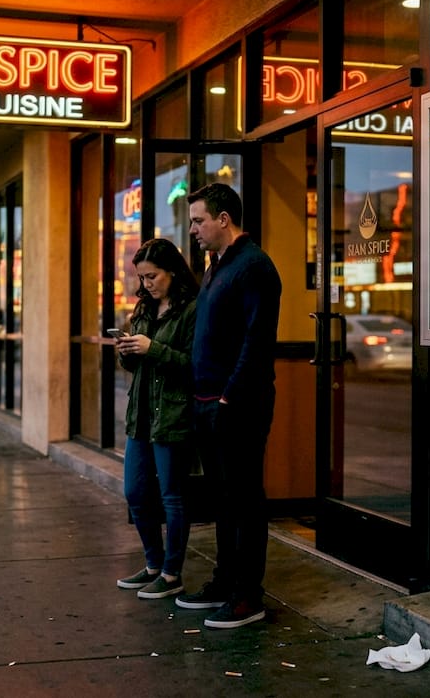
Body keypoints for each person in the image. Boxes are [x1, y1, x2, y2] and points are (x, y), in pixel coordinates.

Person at [174, 182, 282, 630]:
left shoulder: (254, 266)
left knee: (244, 501)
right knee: (223, 500)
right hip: (207, 404)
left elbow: (257, 343)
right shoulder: (216, 266)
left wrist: (227, 396)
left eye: (199, 220)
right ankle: (224, 581)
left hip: (237, 405)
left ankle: (247, 596)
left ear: (224, 219)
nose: (194, 229)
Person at [113, 238, 200, 600]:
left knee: (172, 497)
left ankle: (171, 573)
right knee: (134, 491)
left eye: (153, 276)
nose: (147, 284)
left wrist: (153, 348)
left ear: (173, 272)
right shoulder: (145, 308)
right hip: (143, 413)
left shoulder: (192, 310)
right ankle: (153, 563)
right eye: (142, 278)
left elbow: (196, 366)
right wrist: (128, 351)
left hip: (175, 412)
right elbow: (134, 365)